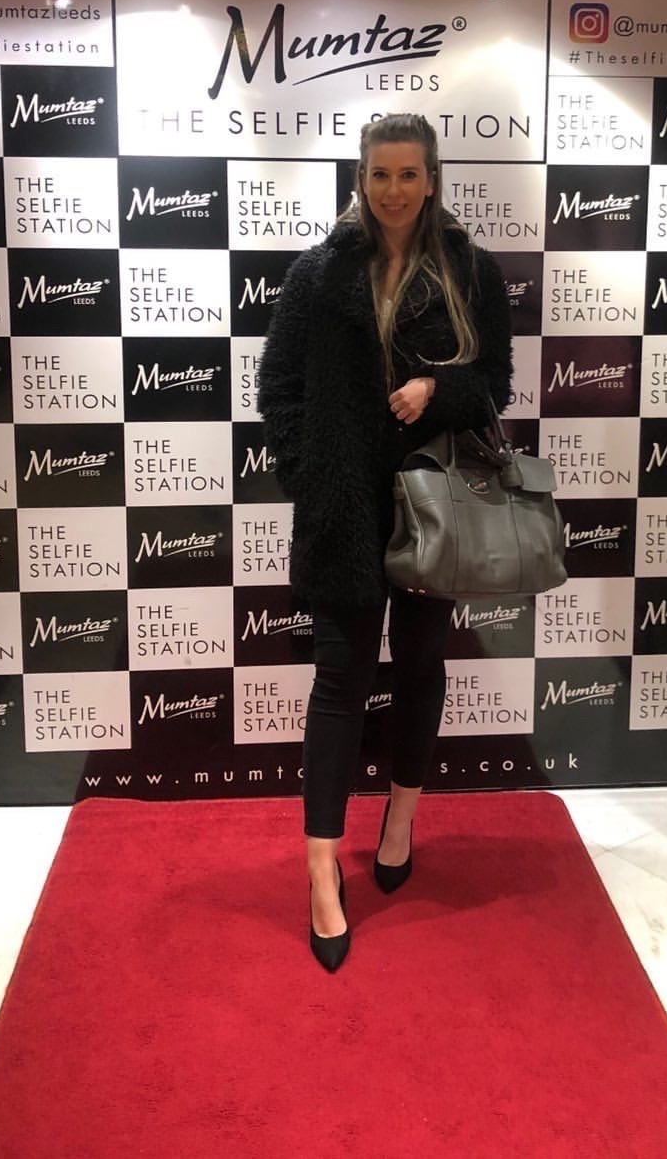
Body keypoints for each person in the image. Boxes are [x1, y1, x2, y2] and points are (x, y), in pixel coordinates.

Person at [256, 112, 514, 972]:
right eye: (379, 175)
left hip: (436, 506)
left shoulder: (471, 270)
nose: (394, 191)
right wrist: (310, 473)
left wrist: (438, 391)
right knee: (339, 681)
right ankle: (322, 871)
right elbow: (278, 386)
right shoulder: (316, 272)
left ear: (432, 179)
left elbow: (496, 382)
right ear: (360, 180)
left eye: (408, 174)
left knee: (420, 666)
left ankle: (401, 817)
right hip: (342, 510)